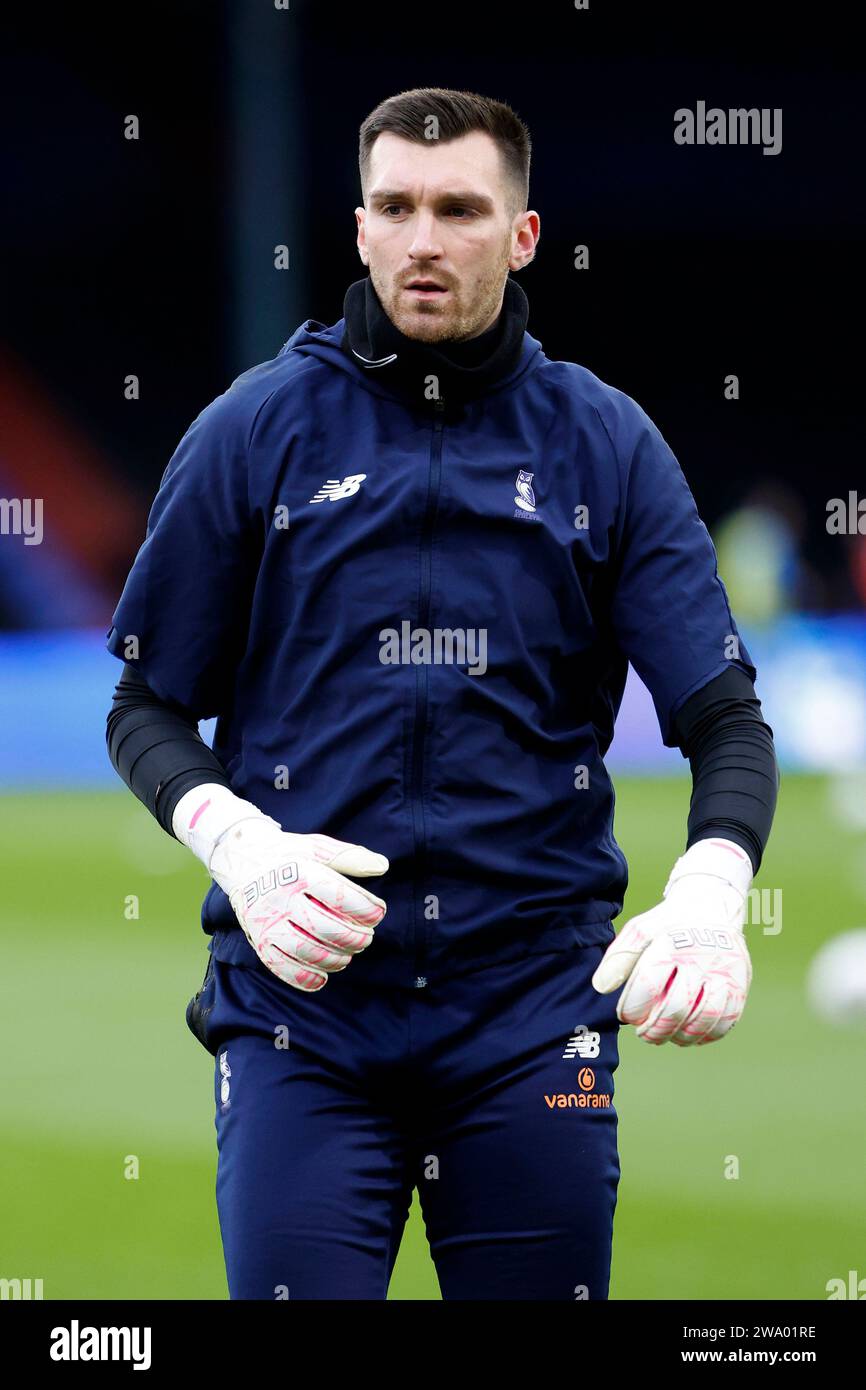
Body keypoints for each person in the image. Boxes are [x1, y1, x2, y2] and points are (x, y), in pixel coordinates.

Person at [106, 87, 778, 1301]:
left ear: (520, 236)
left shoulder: (606, 445)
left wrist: (711, 888)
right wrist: (242, 846)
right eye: (396, 207)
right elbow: (144, 705)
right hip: (302, 1018)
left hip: (532, 1015)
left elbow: (723, 716)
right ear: (358, 228)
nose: (424, 239)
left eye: (459, 209)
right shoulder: (250, 431)